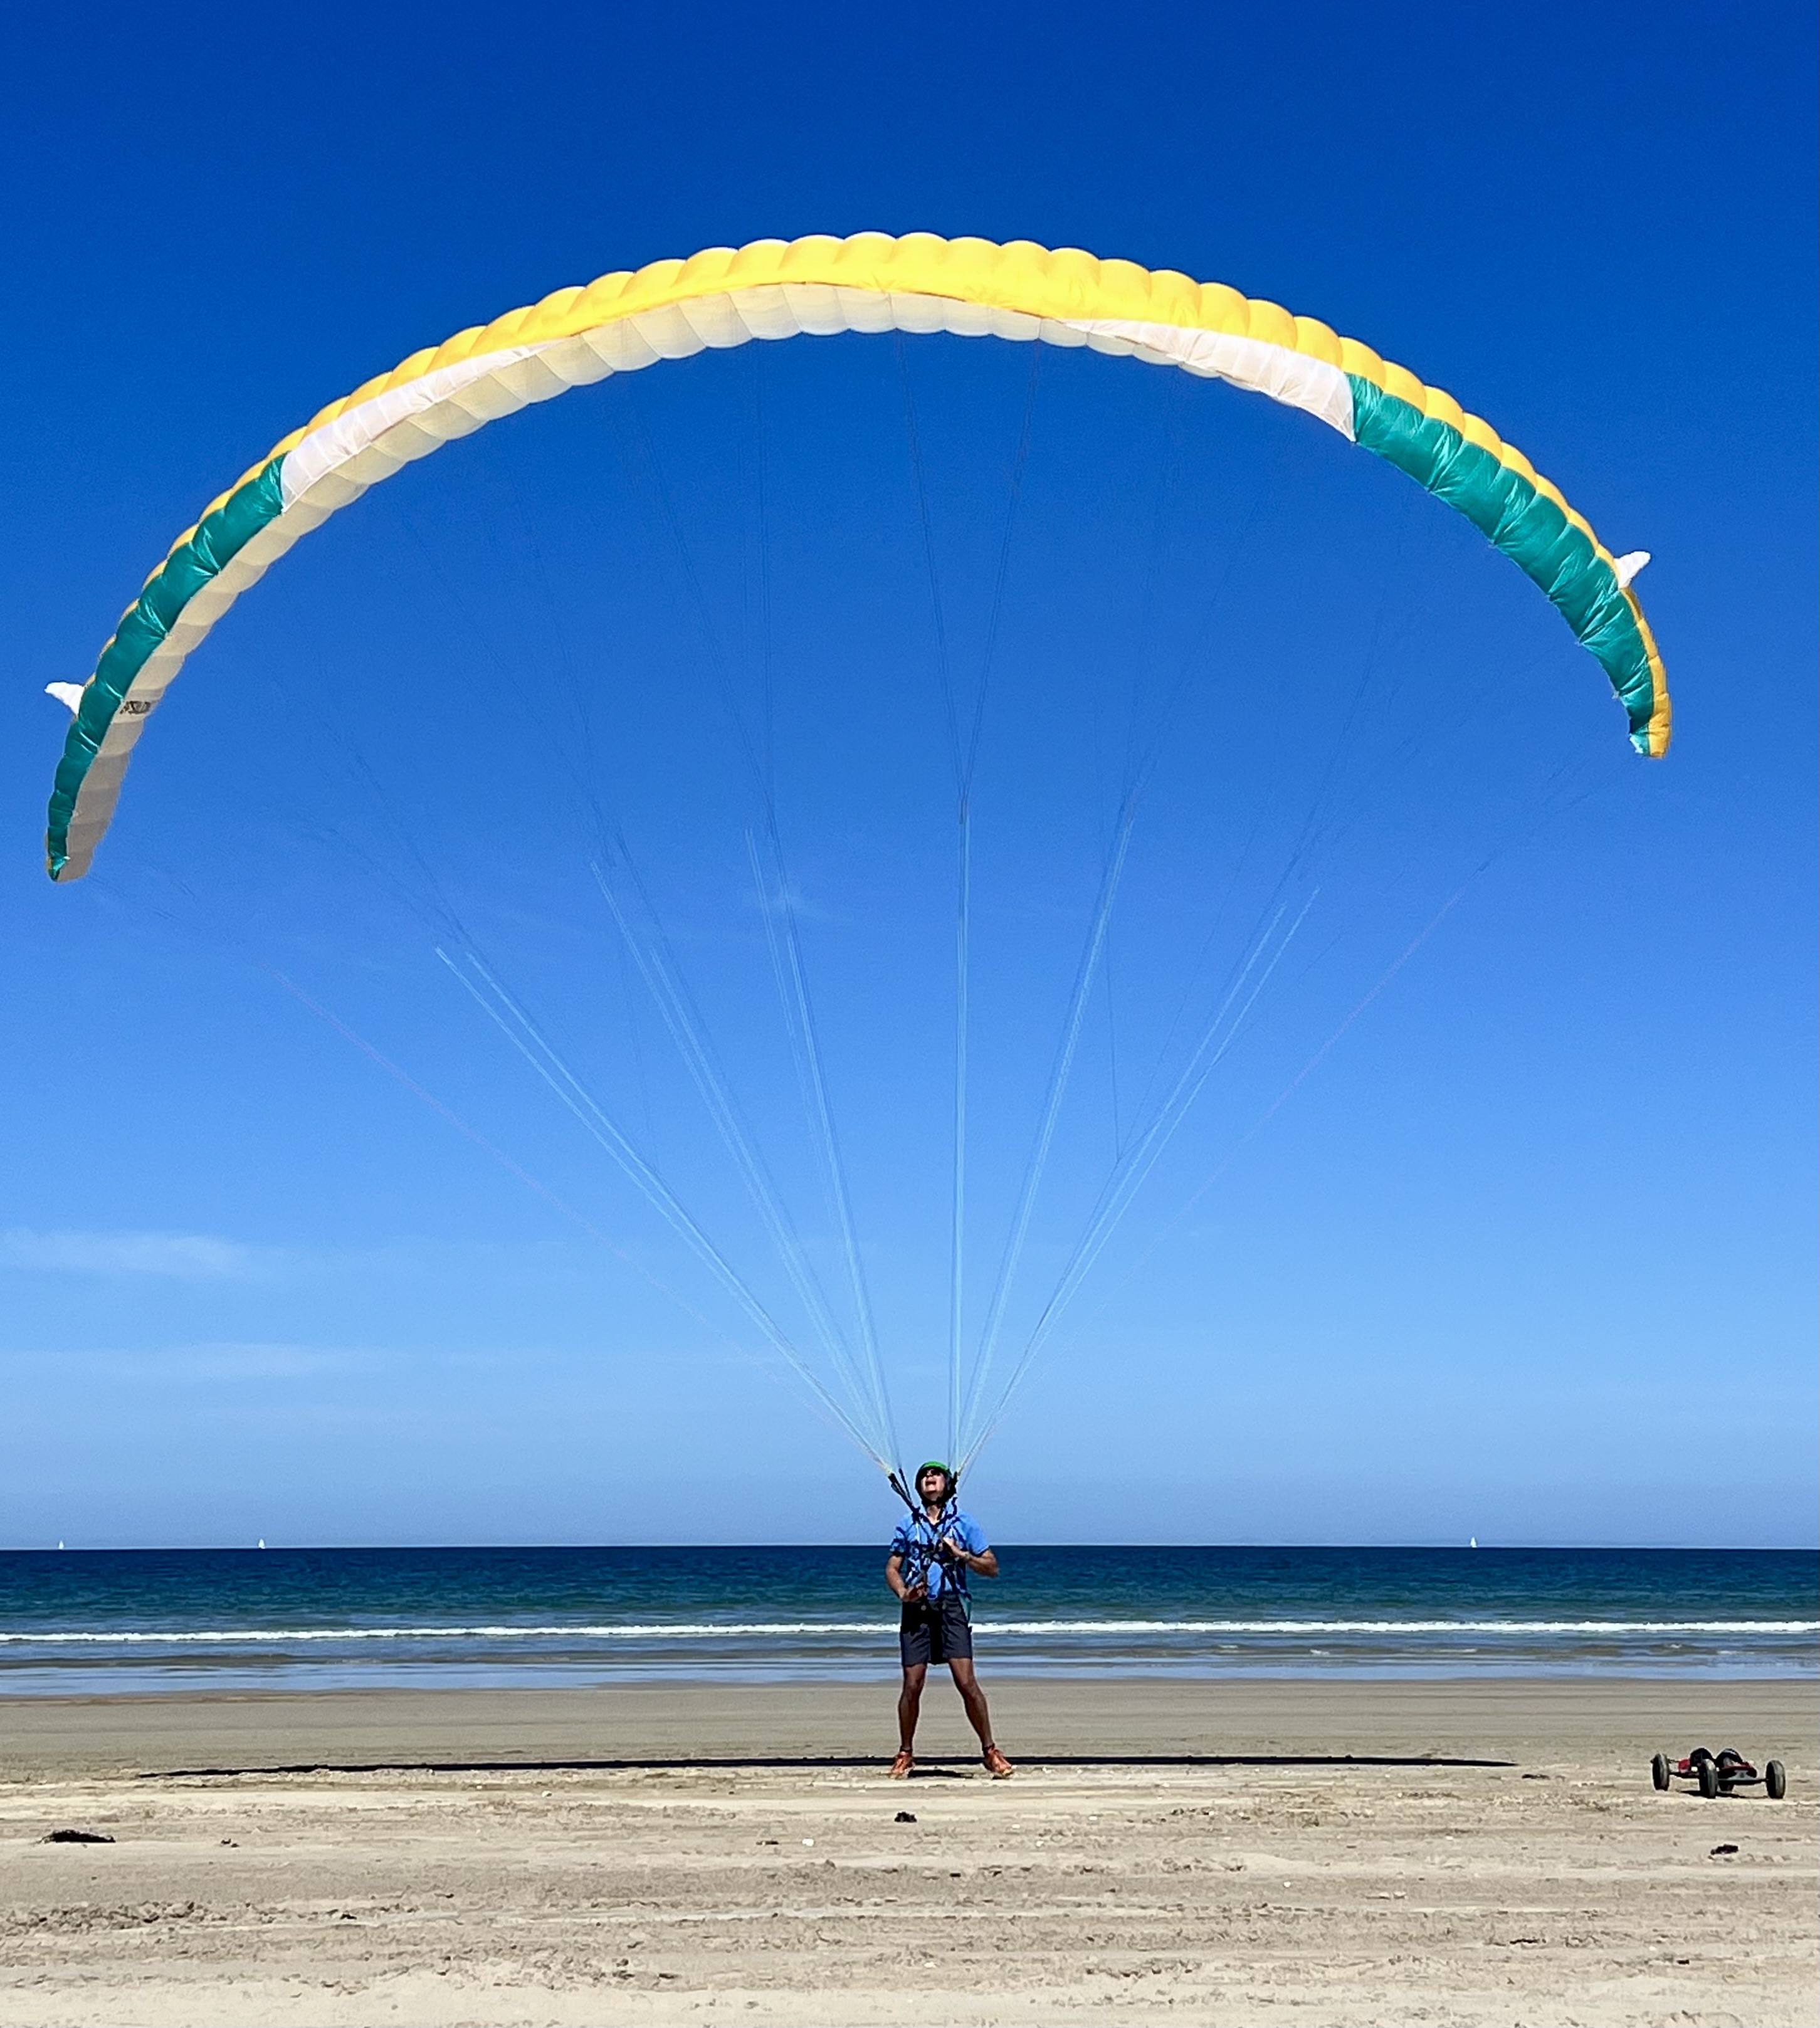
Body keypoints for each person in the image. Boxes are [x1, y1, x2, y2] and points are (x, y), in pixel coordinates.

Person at [886, 1460, 1014, 1779]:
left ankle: (990, 1751)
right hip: (918, 1608)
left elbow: (992, 1567)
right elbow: (892, 1568)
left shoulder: (964, 1523)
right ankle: (905, 1752)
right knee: (912, 1684)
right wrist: (903, 1592)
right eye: (924, 1475)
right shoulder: (908, 1524)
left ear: (947, 1484)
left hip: (952, 1605)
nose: (930, 1478)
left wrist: (962, 1555)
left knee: (966, 1682)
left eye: (936, 1473)